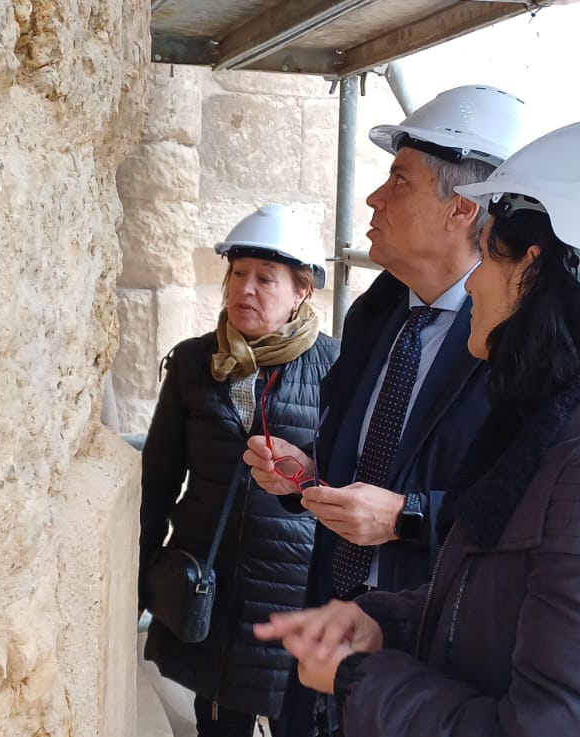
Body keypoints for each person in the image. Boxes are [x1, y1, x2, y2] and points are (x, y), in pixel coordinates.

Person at [256, 113, 580, 737]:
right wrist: (384, 624)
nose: (472, 284)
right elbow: (499, 605)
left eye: (488, 255)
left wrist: (360, 676)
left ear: (536, 267)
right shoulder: (563, 437)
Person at [241, 85, 530, 736]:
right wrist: (305, 477)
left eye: (398, 180)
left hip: (423, 665)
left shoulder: (513, 350)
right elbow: (354, 461)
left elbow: (516, 512)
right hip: (328, 636)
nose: (372, 198)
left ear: (461, 208)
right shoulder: (375, 316)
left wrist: (409, 518)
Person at [138, 204, 341, 737]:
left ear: (301, 292)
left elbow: (349, 480)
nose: (245, 289)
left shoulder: (337, 370)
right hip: (211, 587)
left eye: (265, 279)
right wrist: (143, 573)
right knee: (217, 723)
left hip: (292, 597)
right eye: (238, 274)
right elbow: (158, 480)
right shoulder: (191, 363)